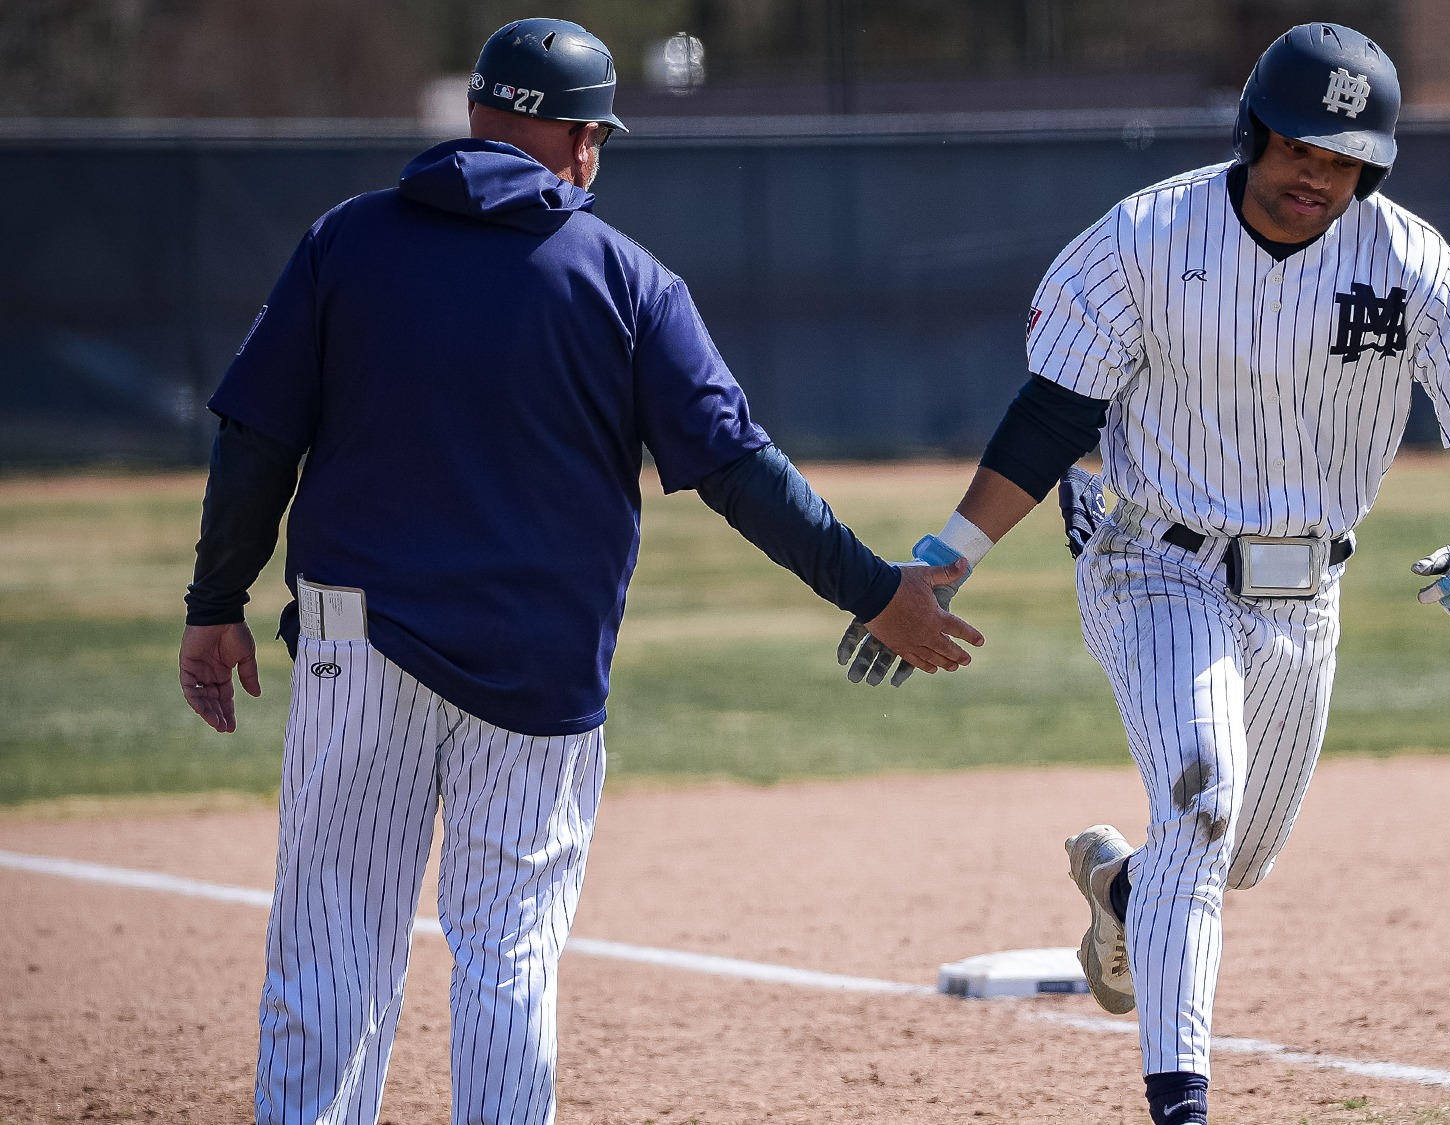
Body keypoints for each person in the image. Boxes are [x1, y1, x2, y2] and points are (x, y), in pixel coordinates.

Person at [176, 18, 979, 1125]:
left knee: (333, 944)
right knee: (507, 954)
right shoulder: (626, 281)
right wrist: (874, 588)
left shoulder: (346, 243)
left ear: (475, 116)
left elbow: (256, 436)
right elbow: (740, 472)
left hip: (353, 643)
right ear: (580, 141)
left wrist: (216, 603)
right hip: (538, 666)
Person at [835, 23, 1450, 1125]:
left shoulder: (1404, 258)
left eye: (1344, 157)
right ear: (1253, 132)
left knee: (1226, 861)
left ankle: (1121, 891)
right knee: (1203, 803)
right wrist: (946, 557)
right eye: (1300, 148)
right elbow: (1050, 420)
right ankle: (1182, 1107)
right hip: (1151, 560)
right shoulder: (1146, 238)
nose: (1318, 175)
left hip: (1306, 592)